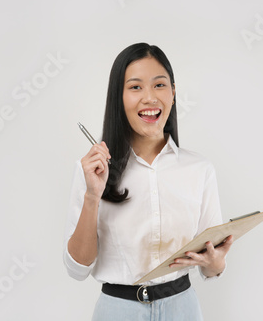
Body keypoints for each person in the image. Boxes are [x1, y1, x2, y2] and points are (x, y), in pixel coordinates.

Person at [63, 42, 234, 320]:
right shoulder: (93, 170)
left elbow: (210, 267)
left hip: (182, 308)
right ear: (118, 97)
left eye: (159, 85)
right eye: (135, 87)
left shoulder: (199, 169)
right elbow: (77, 269)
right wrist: (93, 196)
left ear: (173, 92)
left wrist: (216, 263)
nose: (149, 98)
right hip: (118, 311)